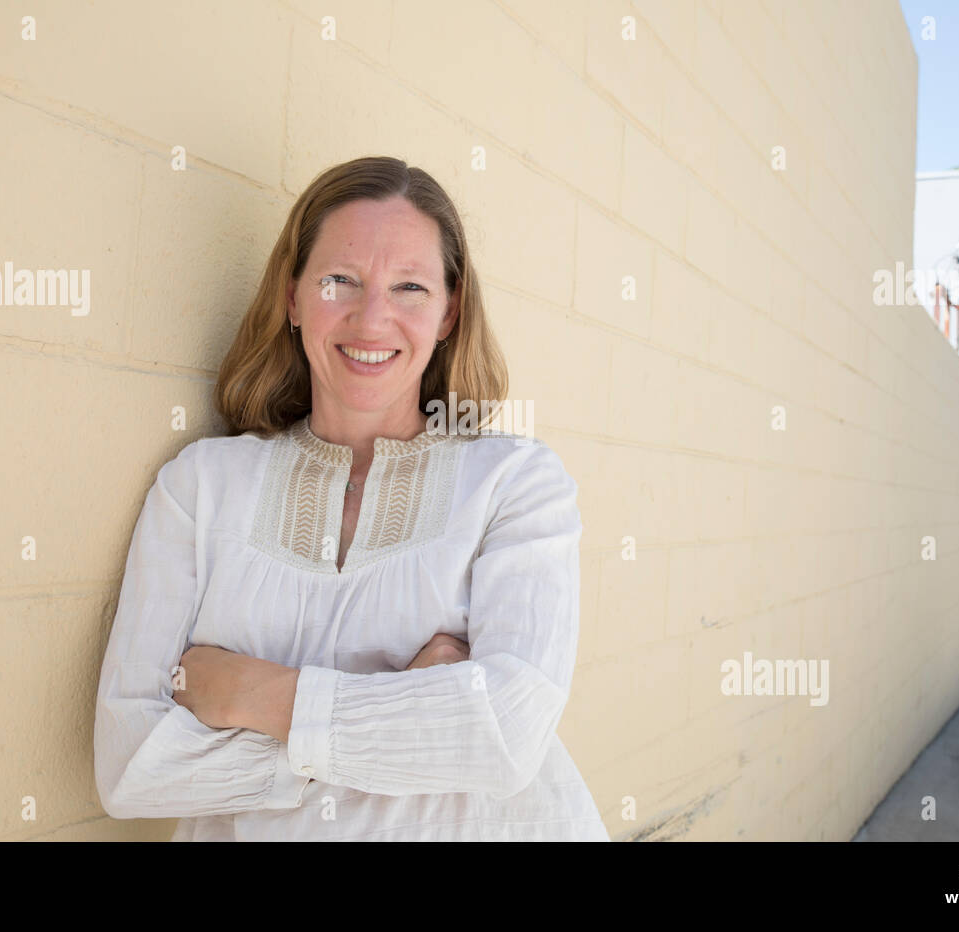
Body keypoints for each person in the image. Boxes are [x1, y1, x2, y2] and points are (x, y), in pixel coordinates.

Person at [93, 155, 609, 841]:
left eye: (410, 288)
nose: (373, 320)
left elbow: (505, 737)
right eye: (341, 280)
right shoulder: (201, 486)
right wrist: (407, 709)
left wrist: (250, 695)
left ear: (450, 311)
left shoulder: (514, 485)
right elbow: (131, 768)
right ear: (292, 296)